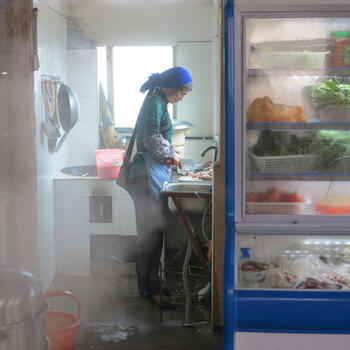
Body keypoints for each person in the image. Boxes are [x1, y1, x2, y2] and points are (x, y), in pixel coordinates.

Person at [128, 66, 192, 308]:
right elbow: (151, 138)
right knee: (150, 236)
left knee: (153, 234)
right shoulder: (155, 102)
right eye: (182, 92)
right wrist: (173, 156)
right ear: (172, 88)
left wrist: (171, 155)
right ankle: (149, 291)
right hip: (144, 177)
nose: (182, 97)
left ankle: (150, 285)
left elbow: (159, 139)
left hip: (148, 176)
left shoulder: (158, 102)